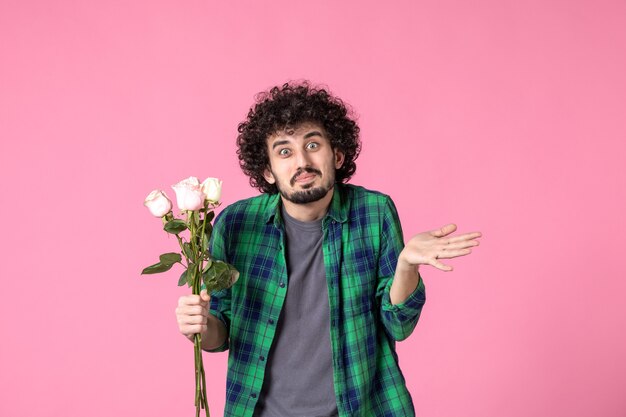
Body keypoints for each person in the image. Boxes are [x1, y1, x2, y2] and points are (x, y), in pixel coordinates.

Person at [175, 81, 482, 417]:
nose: (301, 161)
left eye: (312, 144)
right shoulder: (235, 225)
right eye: (284, 151)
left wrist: (407, 265)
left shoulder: (374, 212)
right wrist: (200, 325)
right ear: (268, 171)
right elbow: (221, 335)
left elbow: (399, 326)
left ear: (336, 154)